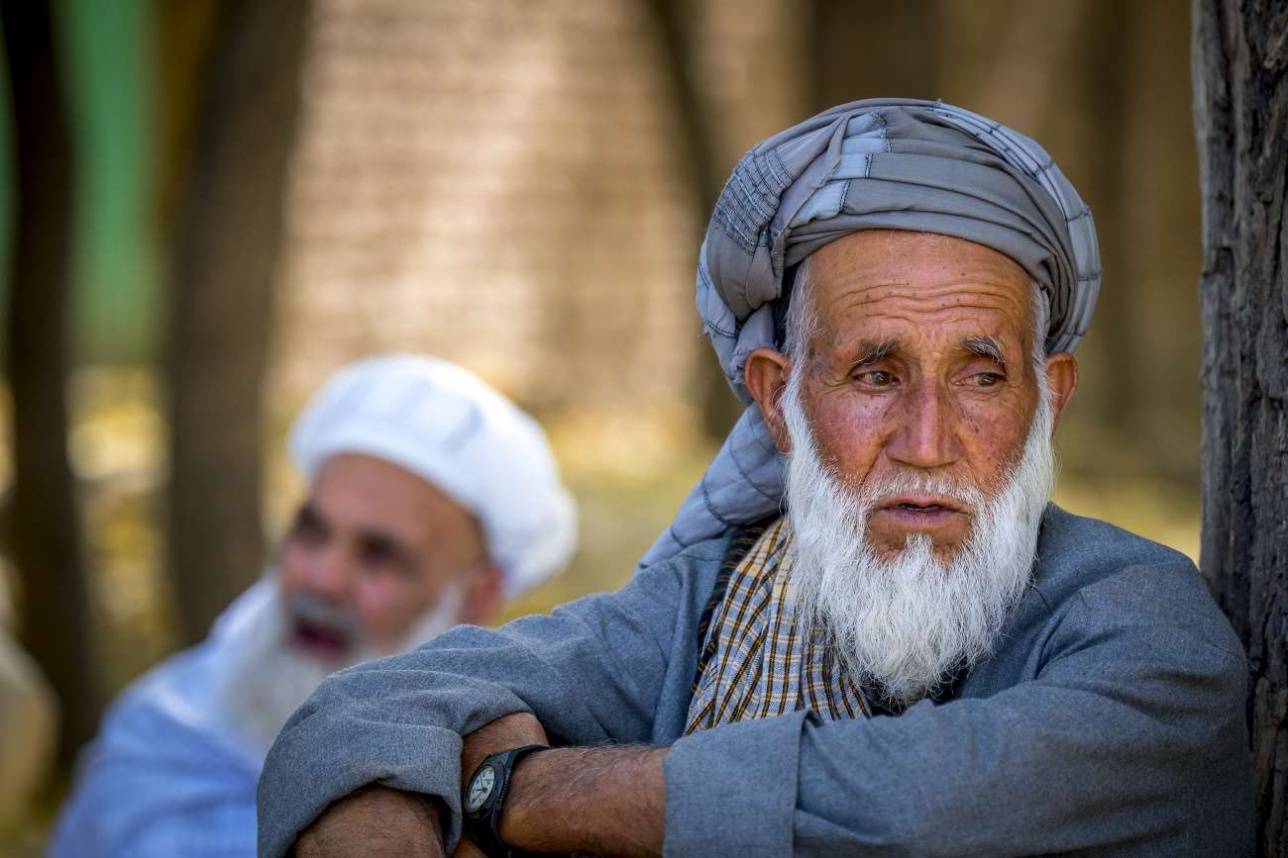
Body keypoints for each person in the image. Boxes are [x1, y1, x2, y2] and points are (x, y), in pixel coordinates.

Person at [258, 100, 1254, 857]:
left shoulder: (1144, 630)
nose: (926, 439)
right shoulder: (715, 599)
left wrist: (515, 790)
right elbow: (362, 711)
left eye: (981, 375)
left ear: (1050, 396)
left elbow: (927, 807)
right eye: (875, 372)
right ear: (776, 398)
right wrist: (386, 806)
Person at [50, 354, 576, 857]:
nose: (322, 579)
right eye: (311, 530)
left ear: (476, 596)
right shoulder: (159, 730)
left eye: (380, 555)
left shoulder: (510, 786)